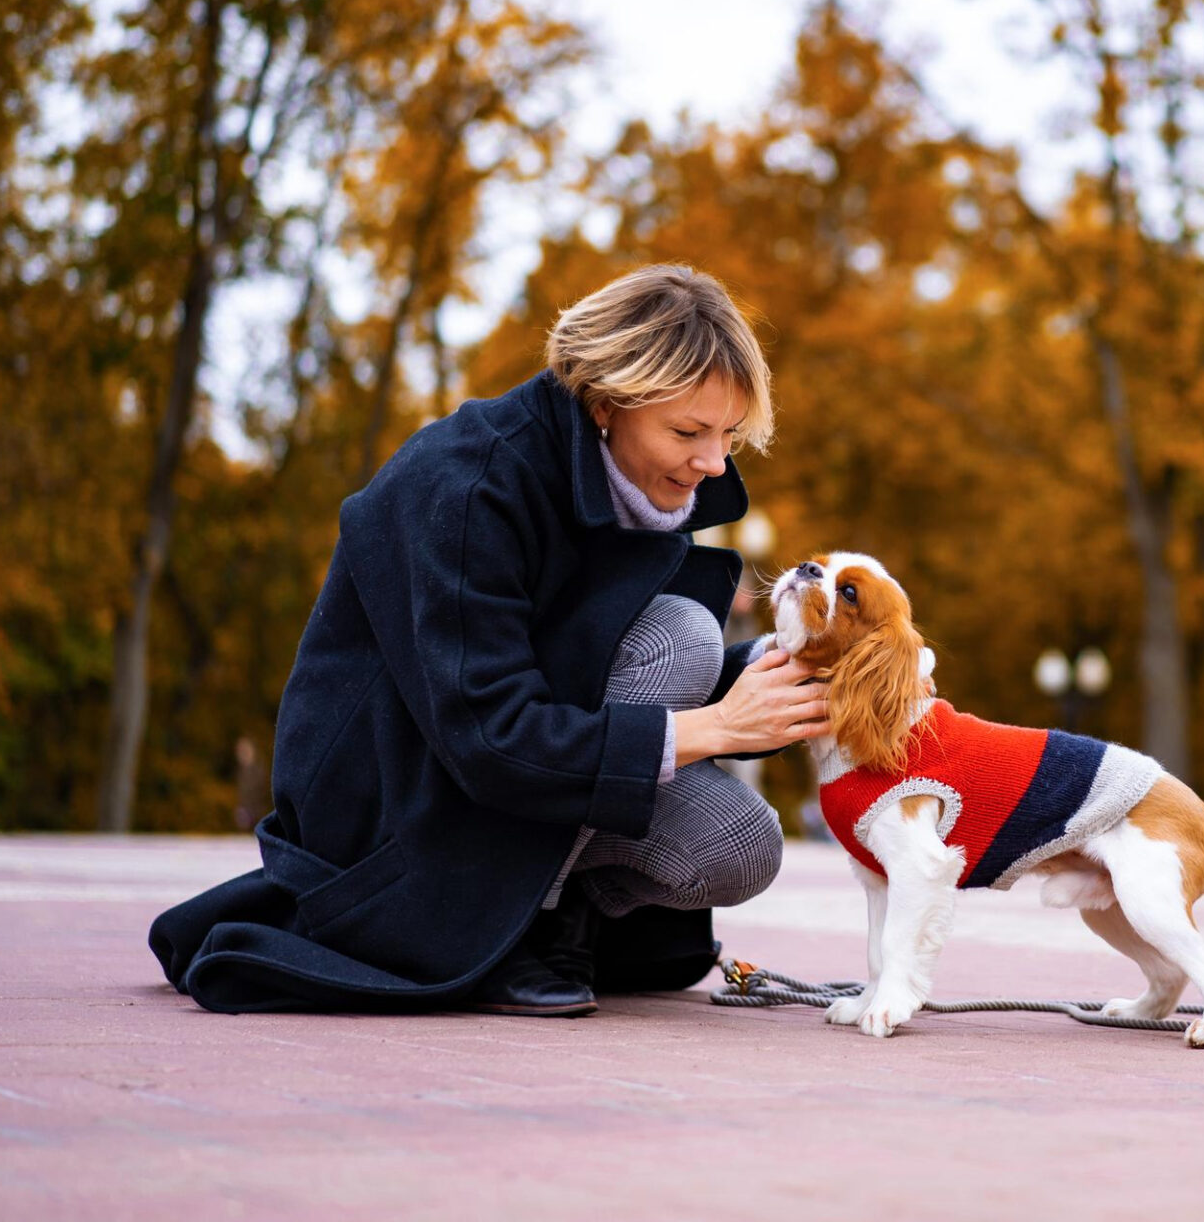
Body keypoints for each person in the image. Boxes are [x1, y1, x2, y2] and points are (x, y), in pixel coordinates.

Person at [149, 264, 828, 1016]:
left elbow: (589, 665)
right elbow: (490, 729)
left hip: (519, 783)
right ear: (606, 404)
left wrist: (789, 681)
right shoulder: (469, 483)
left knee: (743, 844)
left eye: (729, 434)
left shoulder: (638, 482)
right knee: (682, 638)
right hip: (398, 797)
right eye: (688, 432)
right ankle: (515, 931)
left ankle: (557, 908)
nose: (714, 463)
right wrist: (718, 726)